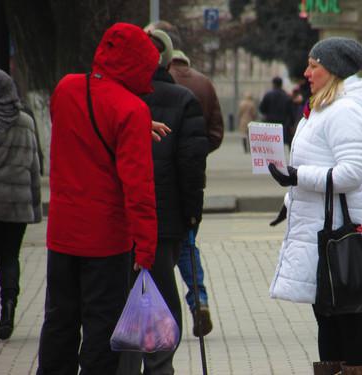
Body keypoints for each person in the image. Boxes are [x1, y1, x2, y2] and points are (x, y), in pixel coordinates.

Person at [36, 23, 159, 375]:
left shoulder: (65, 88)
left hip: (61, 235)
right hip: (106, 242)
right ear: (137, 64)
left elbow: (78, 131)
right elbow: (139, 188)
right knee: (101, 329)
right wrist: (146, 247)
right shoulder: (132, 110)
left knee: (58, 321)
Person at [267, 37, 362, 375]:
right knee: (327, 311)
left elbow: (351, 173)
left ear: (332, 70)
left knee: (347, 310)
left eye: (313, 66)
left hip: (336, 228)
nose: (306, 72)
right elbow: (319, 163)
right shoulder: (321, 108)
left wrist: (297, 176)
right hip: (317, 223)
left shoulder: (345, 112)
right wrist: (290, 198)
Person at [118, 29, 209, 375]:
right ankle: (160, 368)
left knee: (126, 296)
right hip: (166, 220)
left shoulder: (116, 95)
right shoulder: (183, 99)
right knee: (160, 296)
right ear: (168, 60)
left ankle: (127, 367)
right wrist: (192, 215)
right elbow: (190, 164)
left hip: (120, 218)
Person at [146, 20, 224, 337]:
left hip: (150, 182)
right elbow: (216, 132)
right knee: (187, 246)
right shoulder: (203, 83)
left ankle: (153, 321)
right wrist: (196, 151)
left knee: (153, 257)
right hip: (186, 180)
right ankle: (199, 299)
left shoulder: (141, 87)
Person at [0, 68, 42, 341]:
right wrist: (35, 208)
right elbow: (33, 168)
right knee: (9, 258)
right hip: (17, 207)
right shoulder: (26, 122)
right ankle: (9, 308)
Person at [259, 76, 294, 148]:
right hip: (282, 125)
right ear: (281, 84)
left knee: (271, 146)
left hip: (270, 124)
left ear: (273, 84)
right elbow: (290, 112)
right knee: (281, 144)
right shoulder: (286, 96)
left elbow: (262, 109)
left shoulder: (268, 95)